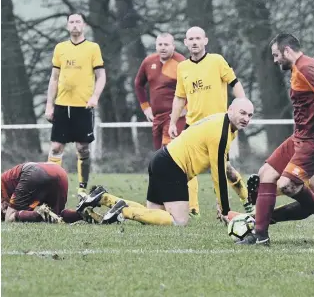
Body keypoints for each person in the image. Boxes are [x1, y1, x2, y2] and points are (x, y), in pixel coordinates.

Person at [238, 33, 314, 246]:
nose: (275, 60)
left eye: (276, 55)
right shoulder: (301, 67)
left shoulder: (306, 68)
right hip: (300, 136)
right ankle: (261, 236)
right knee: (266, 174)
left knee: (287, 185)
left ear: (287, 51)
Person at [78, 98, 254, 226]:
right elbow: (218, 176)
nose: (246, 118)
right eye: (242, 113)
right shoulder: (221, 131)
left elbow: (227, 169)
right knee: (179, 221)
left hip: (161, 160)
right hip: (172, 166)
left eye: (250, 115)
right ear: (230, 109)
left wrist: (246, 200)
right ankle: (123, 211)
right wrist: (225, 211)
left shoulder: (227, 126)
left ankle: (105, 198)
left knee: (154, 216)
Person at [168, 26, 253, 217]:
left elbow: (235, 84)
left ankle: (245, 200)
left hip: (219, 127)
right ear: (186, 43)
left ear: (205, 41)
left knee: (225, 169)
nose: (195, 42)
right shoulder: (183, 67)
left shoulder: (217, 61)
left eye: (198, 38)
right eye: (191, 39)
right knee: (186, 168)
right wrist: (173, 122)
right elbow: (180, 97)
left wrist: (243, 108)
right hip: (193, 127)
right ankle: (193, 209)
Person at [45, 13, 106, 197]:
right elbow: (54, 78)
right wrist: (49, 105)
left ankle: (82, 188)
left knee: (82, 148)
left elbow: (101, 76)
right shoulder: (60, 48)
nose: (74, 25)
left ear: (84, 25)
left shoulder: (92, 48)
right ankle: (51, 186)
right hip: (62, 105)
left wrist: (95, 96)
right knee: (56, 147)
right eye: (71, 22)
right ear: (67, 26)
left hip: (83, 106)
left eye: (78, 22)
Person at [134, 33, 186, 150]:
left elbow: (192, 87)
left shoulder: (182, 62)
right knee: (159, 154)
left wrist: (186, 107)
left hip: (175, 116)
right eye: (160, 44)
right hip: (157, 117)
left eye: (166, 44)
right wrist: (146, 108)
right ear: (156, 46)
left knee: (169, 150)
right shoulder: (148, 61)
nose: (163, 47)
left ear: (173, 46)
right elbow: (138, 84)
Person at [1, 162, 95, 223]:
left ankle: (40, 214)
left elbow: (8, 214)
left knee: (9, 218)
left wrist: (6, 213)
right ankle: (82, 214)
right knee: (56, 217)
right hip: (59, 172)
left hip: (34, 173)